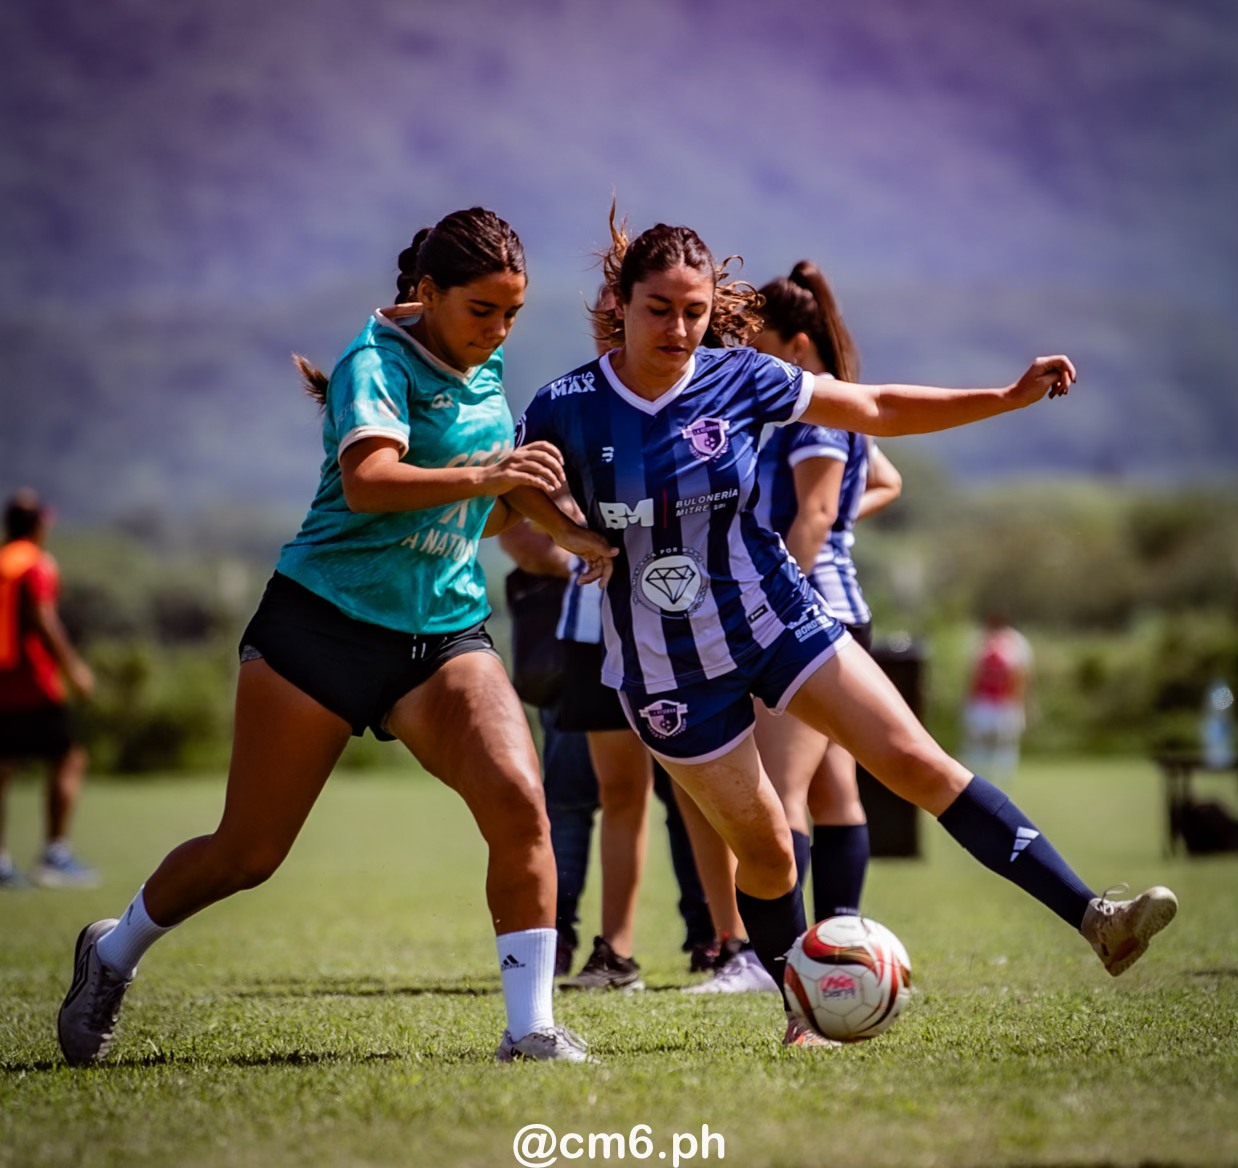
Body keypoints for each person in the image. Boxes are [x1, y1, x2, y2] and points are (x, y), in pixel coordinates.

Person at [511, 210, 1178, 1047]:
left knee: (914, 761)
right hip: (666, 671)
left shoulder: (742, 377)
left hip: (777, 619)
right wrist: (573, 535)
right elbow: (517, 486)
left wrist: (1007, 397)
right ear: (621, 303)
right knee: (770, 856)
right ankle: (806, 1014)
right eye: (658, 309)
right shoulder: (566, 403)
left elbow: (872, 405)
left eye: (694, 310)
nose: (679, 328)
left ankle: (1096, 918)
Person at [56, 207, 614, 1067]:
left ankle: (530, 1030)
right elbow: (370, 481)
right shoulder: (373, 359)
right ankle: (113, 949)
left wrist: (576, 536)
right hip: (321, 628)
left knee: (519, 804)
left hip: (443, 632)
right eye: (482, 311)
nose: (499, 331)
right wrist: (495, 472)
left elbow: (482, 507)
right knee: (249, 852)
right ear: (427, 294)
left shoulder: (486, 360)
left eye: (513, 315)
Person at [750, 260, 902, 925]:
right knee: (835, 785)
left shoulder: (813, 406)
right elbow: (884, 479)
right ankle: (842, 937)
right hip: (844, 605)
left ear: (797, 346)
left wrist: (769, 597)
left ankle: (784, 963)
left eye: (757, 346)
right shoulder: (840, 400)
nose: (747, 364)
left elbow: (813, 514)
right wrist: (842, 522)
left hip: (807, 609)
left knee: (783, 790)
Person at [0, 488, 98, 890]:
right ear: (40, 525)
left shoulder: (4, 561)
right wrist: (72, 667)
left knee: (3, 767)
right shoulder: (35, 564)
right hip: (32, 682)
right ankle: (55, 854)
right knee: (70, 757)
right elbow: (41, 617)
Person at [962, 612, 1034, 787]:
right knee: (1002, 745)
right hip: (1000, 703)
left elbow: (973, 676)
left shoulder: (987, 642)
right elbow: (1022, 676)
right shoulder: (1016, 643)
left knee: (986, 744)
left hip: (990, 703)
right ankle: (993, 781)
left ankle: (980, 782)